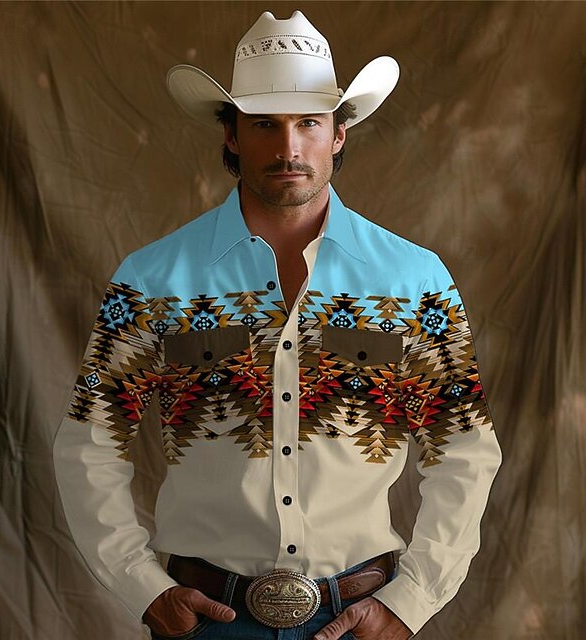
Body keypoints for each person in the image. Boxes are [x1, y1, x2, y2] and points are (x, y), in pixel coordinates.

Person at [54, 10, 501, 640]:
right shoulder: (151, 280)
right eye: (265, 123)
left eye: (308, 123)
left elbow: (464, 450)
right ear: (232, 134)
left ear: (339, 133)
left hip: (360, 615)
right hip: (206, 621)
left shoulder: (415, 281)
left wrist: (413, 599)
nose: (288, 148)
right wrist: (143, 589)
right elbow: (90, 444)